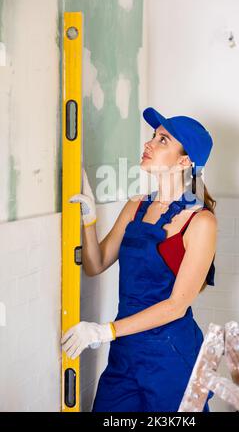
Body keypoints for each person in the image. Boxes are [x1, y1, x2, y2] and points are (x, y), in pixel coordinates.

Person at [61, 107, 217, 412]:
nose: (148, 144)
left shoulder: (200, 222)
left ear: (185, 161)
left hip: (170, 356)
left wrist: (104, 331)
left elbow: (176, 305)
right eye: (153, 136)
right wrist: (89, 219)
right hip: (126, 352)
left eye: (162, 140)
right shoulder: (136, 206)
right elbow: (96, 264)